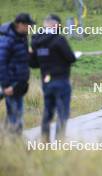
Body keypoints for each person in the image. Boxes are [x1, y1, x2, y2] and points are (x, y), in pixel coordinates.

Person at [30, 14, 76, 142]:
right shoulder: (59, 39)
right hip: (61, 80)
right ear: (55, 25)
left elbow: (33, 64)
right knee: (62, 111)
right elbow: (71, 57)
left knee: (48, 111)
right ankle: (59, 140)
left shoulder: (36, 41)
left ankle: (45, 140)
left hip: (46, 81)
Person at [0, 13, 35, 134]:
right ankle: (15, 142)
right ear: (20, 24)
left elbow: (21, 58)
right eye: (28, 25)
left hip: (20, 84)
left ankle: (9, 136)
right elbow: (1, 63)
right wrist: (5, 85)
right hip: (11, 84)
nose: (30, 28)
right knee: (15, 115)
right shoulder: (7, 39)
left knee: (17, 113)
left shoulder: (23, 37)